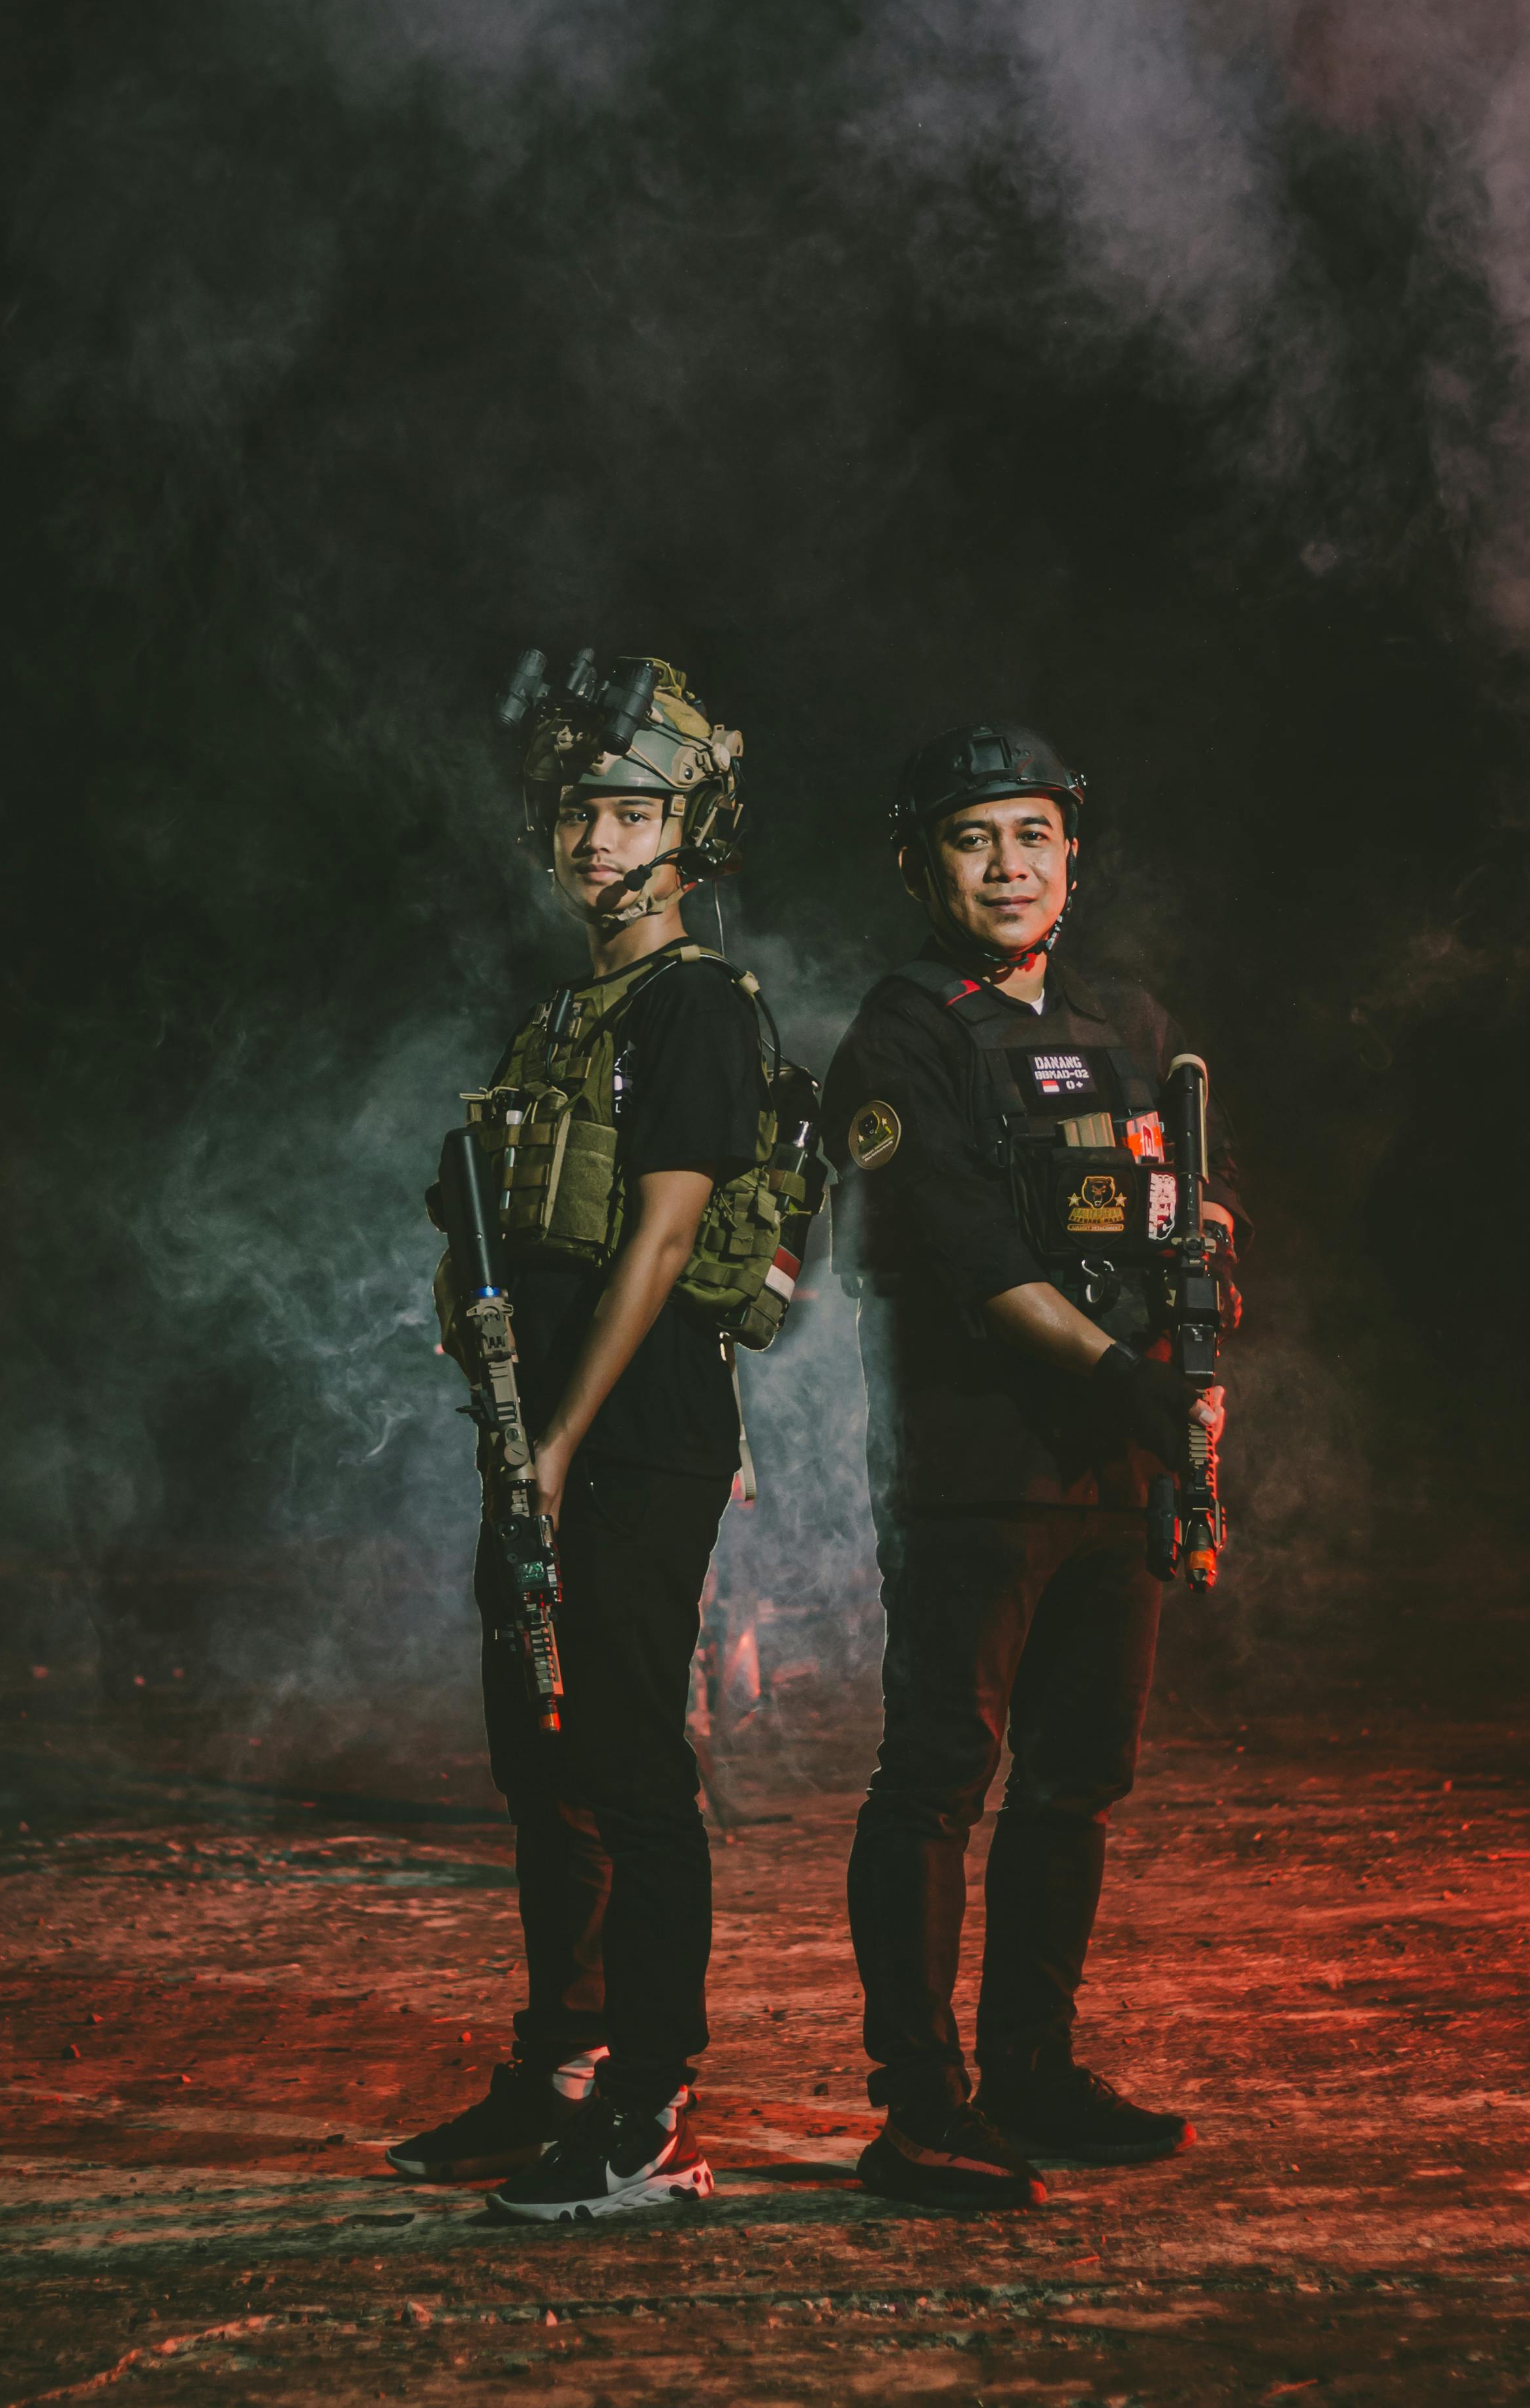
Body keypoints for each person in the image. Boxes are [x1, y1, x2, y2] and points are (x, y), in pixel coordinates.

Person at [822, 720, 1245, 2211]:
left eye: (1032, 835)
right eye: (970, 836)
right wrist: (1137, 1385)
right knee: (937, 1774)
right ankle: (919, 2107)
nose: (1006, 864)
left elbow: (1178, 1202)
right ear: (918, 863)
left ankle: (1032, 2075)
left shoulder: (1120, 1011)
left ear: (1071, 853)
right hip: (974, 1468)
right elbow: (974, 1266)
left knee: (1076, 1784)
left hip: (1111, 1467)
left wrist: (1202, 1302)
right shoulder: (900, 1033)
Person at [388, 659, 768, 2221]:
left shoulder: (697, 1004)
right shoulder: (561, 1013)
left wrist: (557, 1438)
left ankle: (649, 2107)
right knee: (537, 1761)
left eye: (629, 811)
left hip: (633, 1433)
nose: (597, 841)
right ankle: (559, 2063)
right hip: (533, 1430)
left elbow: (667, 1238)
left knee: (625, 1762)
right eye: (576, 813)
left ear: (692, 829)